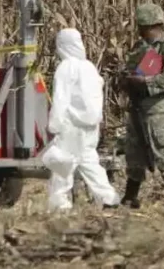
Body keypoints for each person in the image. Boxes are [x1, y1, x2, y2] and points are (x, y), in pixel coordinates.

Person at [45, 28, 120, 212]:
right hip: (90, 125)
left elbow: (61, 98)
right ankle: (108, 196)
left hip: (72, 124)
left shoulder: (66, 68)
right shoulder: (89, 67)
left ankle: (59, 203)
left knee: (63, 163)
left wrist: (54, 124)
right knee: (89, 161)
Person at [121, 3, 164, 207]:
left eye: (144, 27)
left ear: (154, 25)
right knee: (134, 150)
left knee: (162, 147)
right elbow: (129, 69)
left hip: (158, 105)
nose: (141, 31)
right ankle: (131, 195)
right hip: (138, 105)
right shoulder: (140, 48)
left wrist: (146, 82)